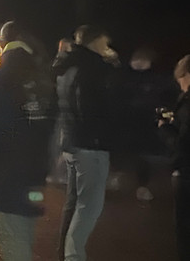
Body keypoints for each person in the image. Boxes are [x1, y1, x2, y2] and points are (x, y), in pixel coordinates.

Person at [0, 22, 57, 261]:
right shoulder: (40, 72)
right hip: (36, 168)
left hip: (10, 169)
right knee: (25, 224)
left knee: (10, 229)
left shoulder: (5, 74)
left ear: (2, 42)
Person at [54, 24, 120, 261]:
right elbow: (97, 106)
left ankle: (65, 253)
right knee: (89, 207)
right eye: (104, 43)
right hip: (90, 144)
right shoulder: (94, 68)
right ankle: (73, 256)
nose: (108, 48)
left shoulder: (68, 65)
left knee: (73, 205)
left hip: (73, 141)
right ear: (94, 43)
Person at [120, 47, 178, 202]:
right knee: (143, 155)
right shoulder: (132, 77)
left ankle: (145, 185)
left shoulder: (155, 78)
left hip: (147, 120)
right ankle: (143, 185)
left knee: (147, 154)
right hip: (139, 121)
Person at [160, 55, 190, 261]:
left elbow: (182, 143)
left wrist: (165, 129)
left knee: (184, 226)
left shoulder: (187, 103)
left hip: (186, 171)